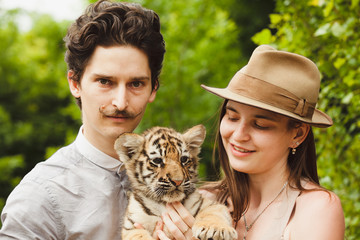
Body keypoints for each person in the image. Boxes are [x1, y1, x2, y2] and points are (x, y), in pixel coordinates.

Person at [0, 0, 165, 239]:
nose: (120, 102)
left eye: (136, 83)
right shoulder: (39, 197)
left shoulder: (175, 178)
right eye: (105, 82)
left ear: (153, 89)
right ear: (75, 83)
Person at [156, 45, 345, 240]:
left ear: (297, 134)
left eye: (260, 125)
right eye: (232, 117)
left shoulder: (316, 209)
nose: (238, 135)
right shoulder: (202, 201)